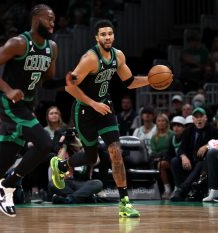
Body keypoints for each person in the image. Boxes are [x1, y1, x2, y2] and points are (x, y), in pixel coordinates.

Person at [0, 4, 66, 230]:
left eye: (54, 19)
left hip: (25, 106)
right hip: (8, 104)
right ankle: (8, 185)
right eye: (49, 19)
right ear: (36, 19)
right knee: (45, 143)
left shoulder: (52, 48)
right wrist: (7, 89)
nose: (53, 23)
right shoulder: (19, 43)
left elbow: (46, 82)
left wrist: (68, 81)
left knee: (4, 160)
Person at [50, 19, 156, 218]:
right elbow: (69, 87)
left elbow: (130, 82)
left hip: (105, 108)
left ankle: (124, 202)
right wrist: (93, 104)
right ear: (96, 38)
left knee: (116, 151)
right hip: (85, 111)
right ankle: (61, 165)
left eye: (110, 33)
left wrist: (151, 79)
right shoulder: (90, 59)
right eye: (103, 34)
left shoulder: (118, 56)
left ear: (113, 35)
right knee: (91, 157)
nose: (107, 37)